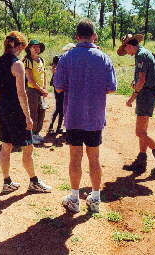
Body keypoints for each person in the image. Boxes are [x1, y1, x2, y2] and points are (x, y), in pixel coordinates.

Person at [54, 19, 117, 213]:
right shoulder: (104, 58)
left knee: (75, 157)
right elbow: (111, 88)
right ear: (94, 36)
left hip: (73, 116)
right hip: (94, 117)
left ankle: (74, 198)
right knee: (94, 157)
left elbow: (58, 87)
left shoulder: (66, 58)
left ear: (77, 37)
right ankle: (95, 198)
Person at [0, 32, 52, 194]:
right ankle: (34, 182)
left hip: (2, 106)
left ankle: (6, 182)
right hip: (16, 109)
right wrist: (28, 116)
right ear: (19, 46)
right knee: (28, 147)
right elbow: (21, 93)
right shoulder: (17, 64)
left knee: (6, 146)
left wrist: (4, 93)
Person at [117, 34, 155, 175]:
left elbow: (141, 81)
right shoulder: (144, 53)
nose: (127, 52)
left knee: (139, 132)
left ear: (129, 45)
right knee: (143, 132)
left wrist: (132, 97)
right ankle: (141, 162)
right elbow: (144, 78)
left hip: (145, 95)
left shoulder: (141, 55)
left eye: (126, 49)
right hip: (148, 94)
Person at [23, 40, 48, 144]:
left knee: (41, 111)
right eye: (34, 47)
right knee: (33, 112)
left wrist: (44, 88)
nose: (36, 49)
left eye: (38, 47)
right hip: (32, 90)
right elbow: (30, 80)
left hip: (40, 90)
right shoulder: (27, 60)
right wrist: (41, 90)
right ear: (29, 48)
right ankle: (31, 135)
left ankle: (36, 133)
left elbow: (44, 75)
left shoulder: (41, 59)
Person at [47, 55, 64, 136]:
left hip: (60, 89)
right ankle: (52, 127)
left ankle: (57, 127)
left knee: (60, 110)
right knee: (59, 109)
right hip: (59, 90)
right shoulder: (56, 68)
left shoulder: (56, 68)